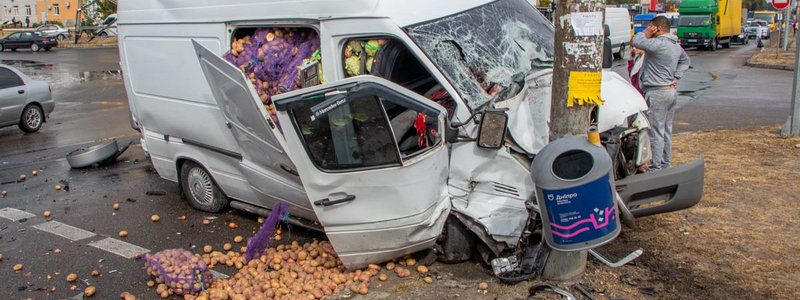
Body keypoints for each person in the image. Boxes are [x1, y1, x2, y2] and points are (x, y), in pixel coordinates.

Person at [632, 16, 690, 171]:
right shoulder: (675, 46)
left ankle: (656, 166)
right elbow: (686, 61)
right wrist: (676, 76)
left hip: (657, 92)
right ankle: (666, 163)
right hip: (670, 91)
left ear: (656, 28)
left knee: (656, 131)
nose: (649, 29)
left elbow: (637, 41)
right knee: (666, 130)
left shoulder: (659, 44)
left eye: (651, 26)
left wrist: (646, 31)